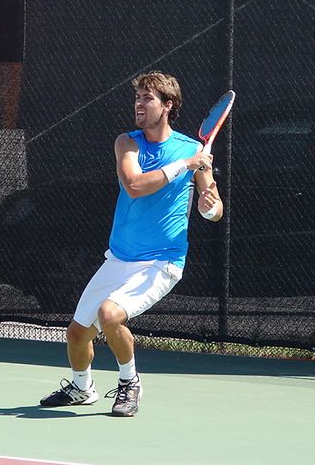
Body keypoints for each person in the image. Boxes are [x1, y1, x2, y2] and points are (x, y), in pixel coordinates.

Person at [40, 71, 223, 417]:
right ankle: (82, 388)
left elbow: (213, 205)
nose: (139, 104)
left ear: (168, 106)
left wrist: (208, 207)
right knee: (77, 334)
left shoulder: (192, 149)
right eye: (137, 97)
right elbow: (134, 185)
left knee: (110, 314)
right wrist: (185, 165)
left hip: (162, 262)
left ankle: (130, 383)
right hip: (120, 258)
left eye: (148, 98)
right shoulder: (128, 142)